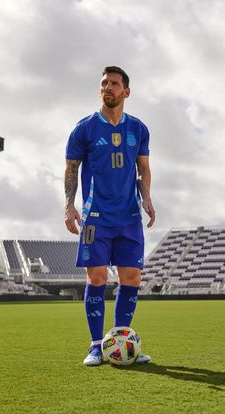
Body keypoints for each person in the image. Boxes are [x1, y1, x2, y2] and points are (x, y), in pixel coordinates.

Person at [64, 66, 155, 366]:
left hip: (128, 215)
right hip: (96, 217)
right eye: (104, 83)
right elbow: (71, 169)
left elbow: (143, 169)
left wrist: (148, 198)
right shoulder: (84, 128)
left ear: (126, 91)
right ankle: (94, 346)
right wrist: (69, 204)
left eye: (114, 84)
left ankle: (123, 340)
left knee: (131, 277)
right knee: (98, 276)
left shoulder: (139, 129)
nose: (108, 88)